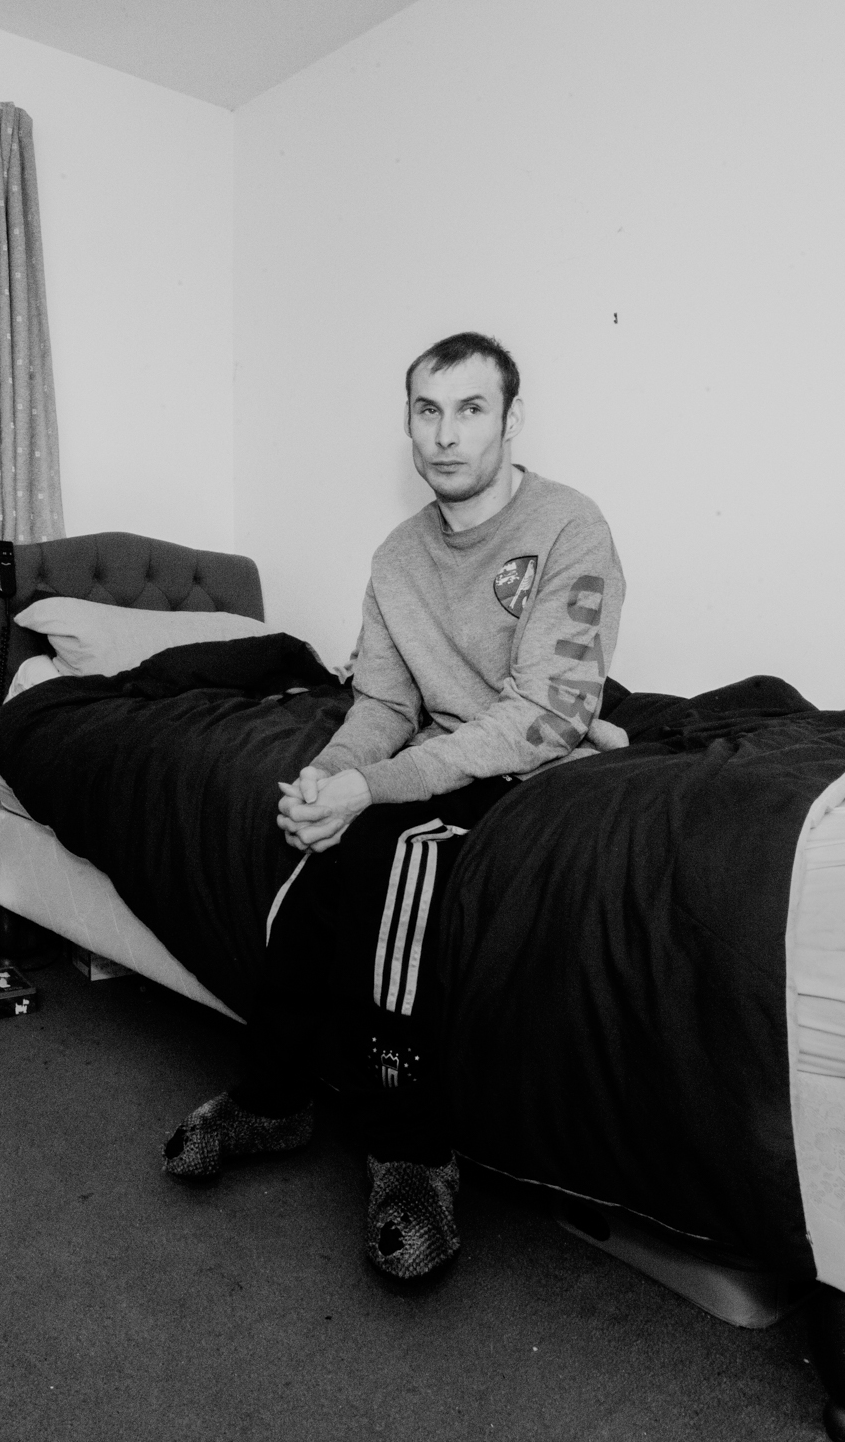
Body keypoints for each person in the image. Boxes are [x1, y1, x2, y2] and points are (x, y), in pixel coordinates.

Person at [161, 331, 626, 1280]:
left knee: (401, 857)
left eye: (470, 410)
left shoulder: (570, 527)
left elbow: (539, 713)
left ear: (511, 419)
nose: (446, 435)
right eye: (427, 410)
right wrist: (328, 780)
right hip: (439, 754)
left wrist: (374, 789)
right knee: (312, 848)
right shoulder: (396, 555)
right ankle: (271, 1097)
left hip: (540, 763)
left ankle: (414, 1157)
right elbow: (382, 702)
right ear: (408, 421)